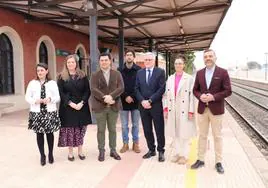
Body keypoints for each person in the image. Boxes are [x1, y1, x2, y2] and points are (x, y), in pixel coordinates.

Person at [190, 49, 232, 174]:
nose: (208, 58)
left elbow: (228, 90)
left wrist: (213, 97)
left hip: (216, 110)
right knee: (202, 135)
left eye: (210, 56)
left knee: (217, 137)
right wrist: (200, 96)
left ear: (215, 58)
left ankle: (218, 162)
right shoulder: (199, 73)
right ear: (204, 59)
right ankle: (200, 159)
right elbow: (195, 90)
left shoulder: (223, 72)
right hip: (202, 109)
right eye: (206, 56)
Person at [90, 53, 124, 162]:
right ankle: (101, 150)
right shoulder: (95, 75)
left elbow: (121, 87)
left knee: (113, 129)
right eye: (102, 60)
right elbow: (94, 89)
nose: (104, 62)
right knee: (101, 130)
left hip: (113, 105)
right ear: (99, 62)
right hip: (100, 106)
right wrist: (105, 97)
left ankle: (113, 150)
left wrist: (111, 96)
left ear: (110, 61)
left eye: (106, 60)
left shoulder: (117, 74)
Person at [57, 54, 92, 161]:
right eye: (69, 62)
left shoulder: (82, 75)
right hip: (68, 108)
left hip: (81, 107)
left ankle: (80, 152)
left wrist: (82, 103)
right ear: (66, 64)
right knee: (70, 131)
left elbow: (87, 90)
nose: (71, 64)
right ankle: (71, 153)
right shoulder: (61, 76)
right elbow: (61, 93)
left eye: (73, 62)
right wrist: (70, 103)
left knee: (81, 130)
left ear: (76, 63)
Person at [25, 63, 61, 166]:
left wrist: (50, 99)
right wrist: (35, 101)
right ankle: (42, 155)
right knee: (39, 135)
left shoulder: (52, 83)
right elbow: (27, 97)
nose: (40, 72)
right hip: (37, 113)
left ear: (46, 71)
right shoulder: (32, 83)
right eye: (38, 71)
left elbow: (57, 97)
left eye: (42, 70)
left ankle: (50, 154)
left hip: (49, 112)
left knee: (50, 134)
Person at [165, 56, 196, 165]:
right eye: (176, 63)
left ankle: (184, 155)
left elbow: (192, 96)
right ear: (174, 65)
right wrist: (165, 109)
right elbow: (166, 95)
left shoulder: (189, 79)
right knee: (175, 133)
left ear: (184, 65)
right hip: (173, 109)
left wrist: (191, 111)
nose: (178, 65)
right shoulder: (170, 78)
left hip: (185, 109)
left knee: (185, 133)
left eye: (180, 63)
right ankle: (177, 153)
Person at [135, 52, 166, 162]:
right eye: (146, 60)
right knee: (147, 129)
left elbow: (161, 89)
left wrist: (150, 100)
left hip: (156, 105)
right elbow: (136, 89)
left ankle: (161, 150)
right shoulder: (139, 73)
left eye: (149, 60)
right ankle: (151, 149)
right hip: (143, 106)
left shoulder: (160, 72)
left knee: (159, 129)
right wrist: (142, 100)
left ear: (154, 61)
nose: (147, 62)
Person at [118, 50, 141, 153]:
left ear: (134, 57)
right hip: (123, 102)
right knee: (124, 125)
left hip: (136, 102)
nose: (129, 57)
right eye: (127, 55)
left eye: (131, 55)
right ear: (125, 57)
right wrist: (125, 96)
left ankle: (135, 144)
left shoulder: (139, 70)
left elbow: (139, 86)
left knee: (136, 124)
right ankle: (125, 144)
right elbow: (118, 86)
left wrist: (131, 96)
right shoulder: (119, 70)